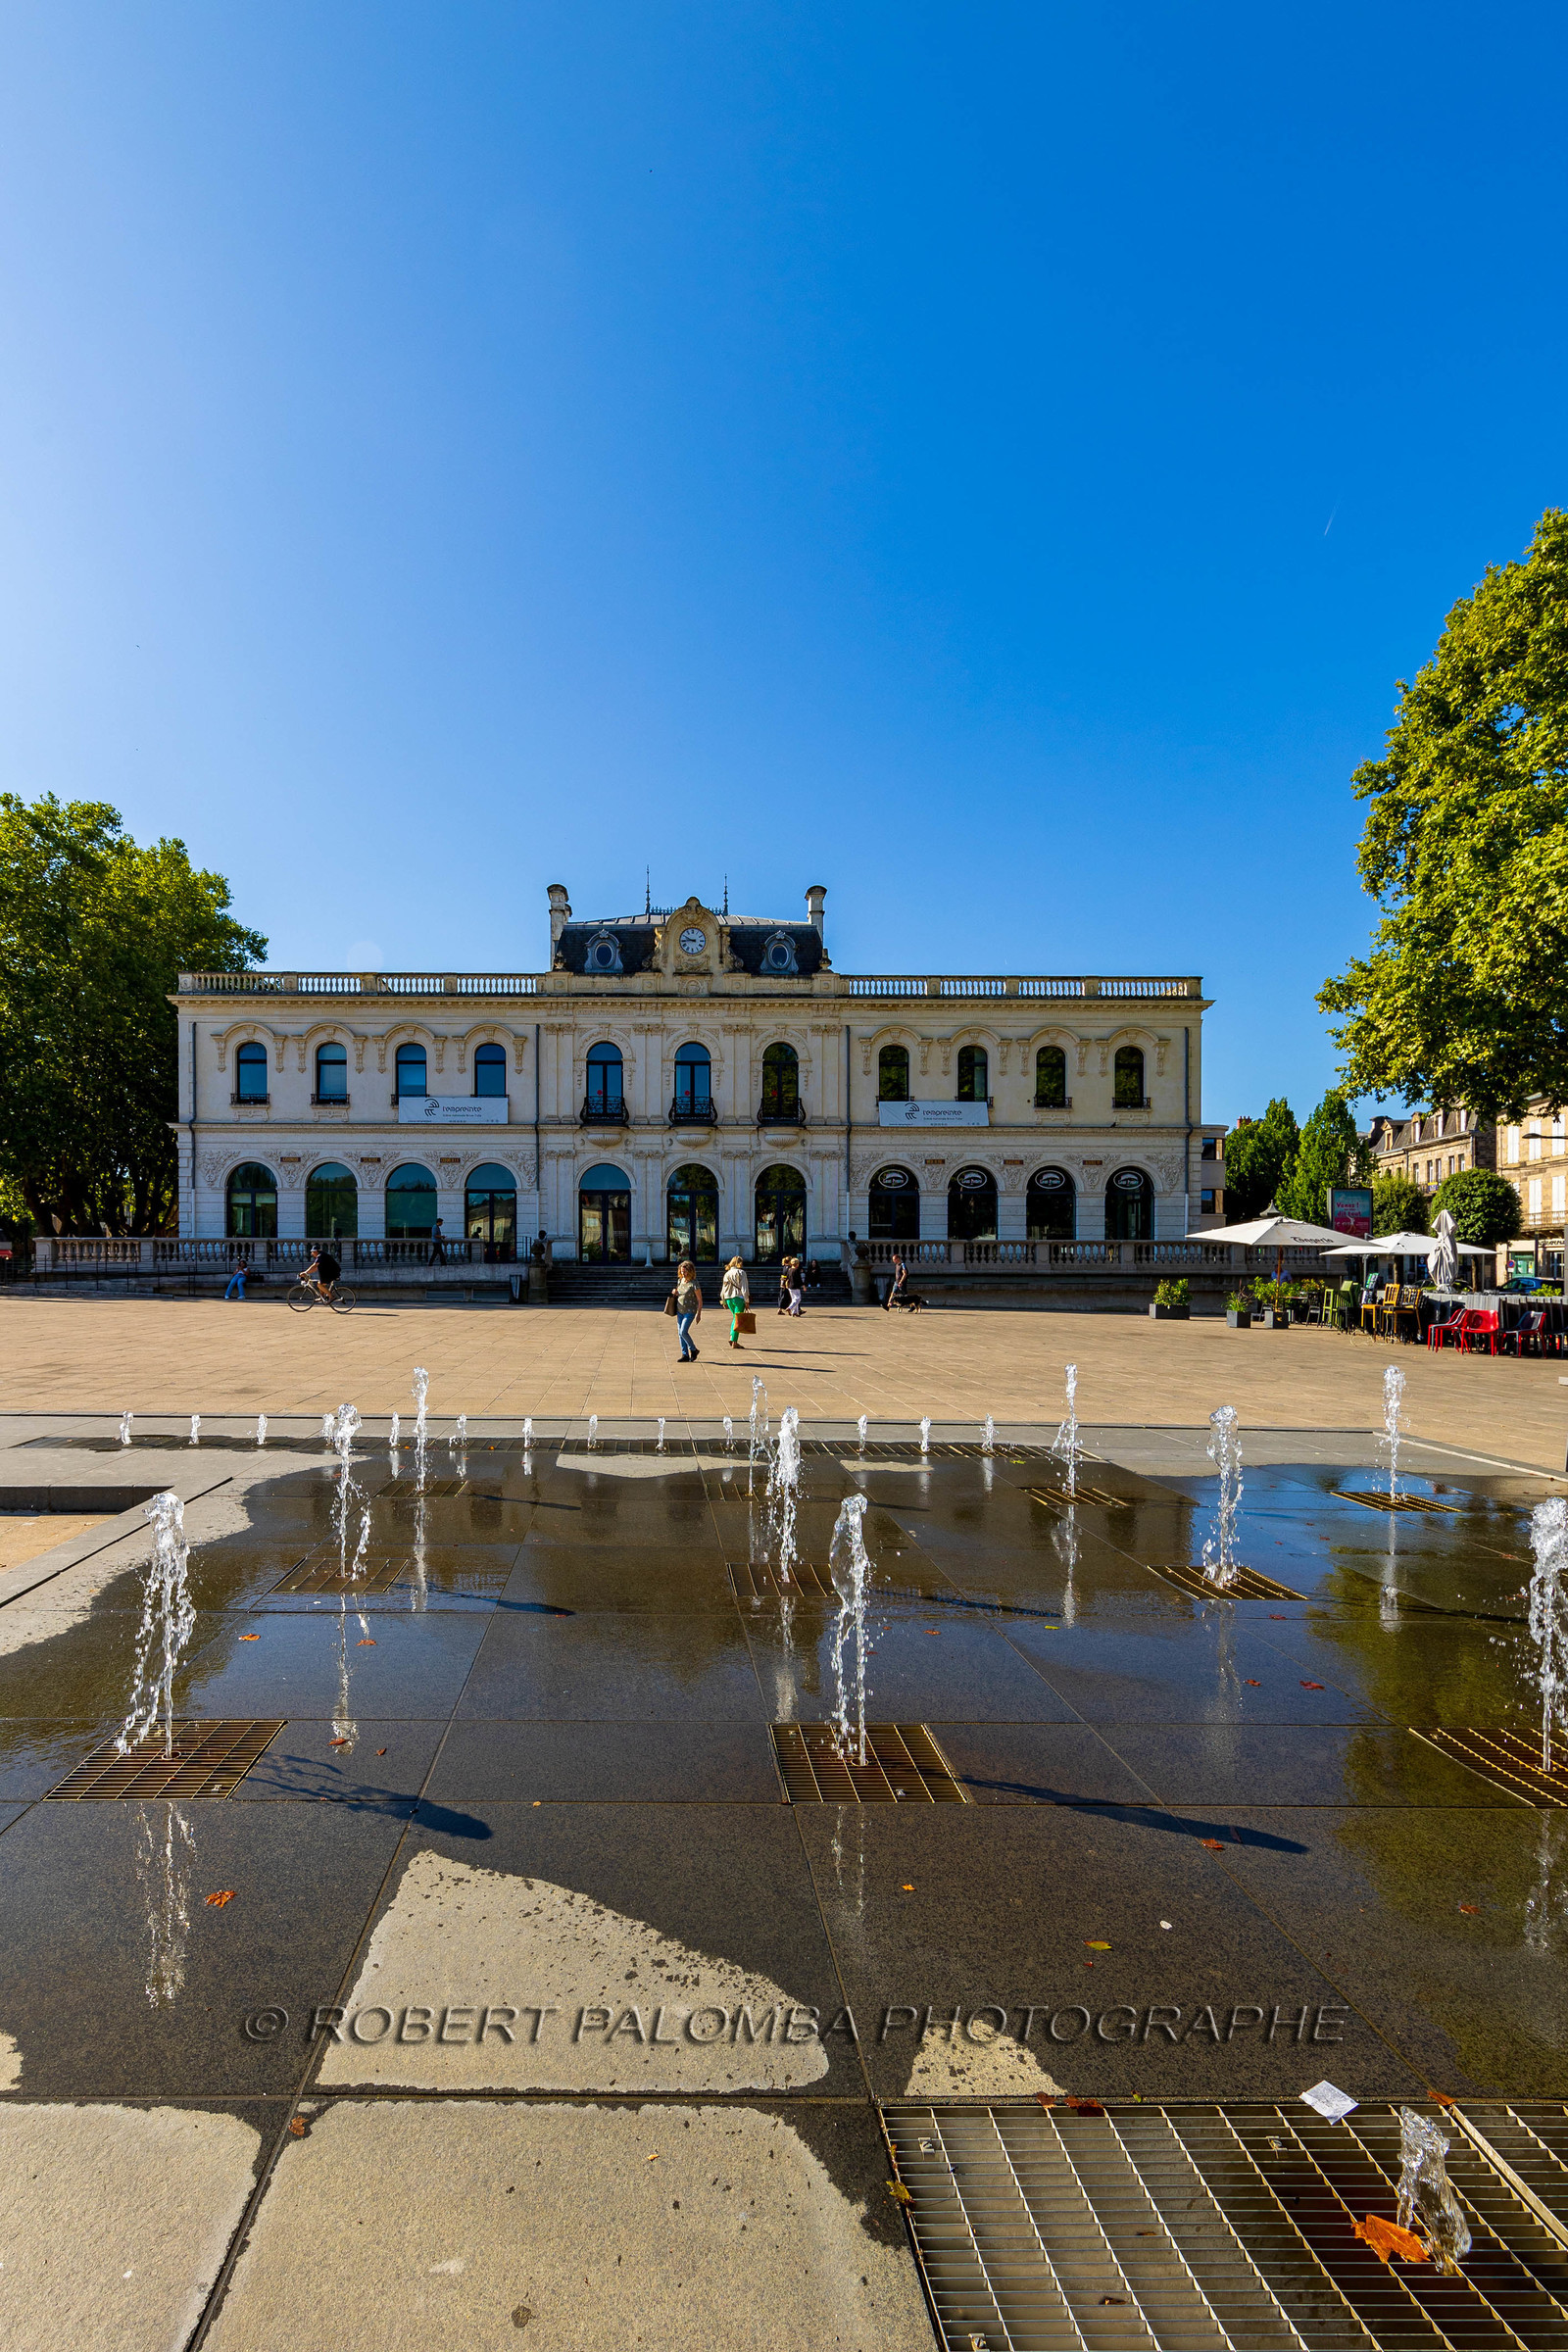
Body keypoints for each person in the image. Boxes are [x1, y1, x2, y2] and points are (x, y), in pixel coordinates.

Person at [671, 1259, 703, 1361]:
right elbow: (679, 1293)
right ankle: (685, 1354)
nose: (683, 1273)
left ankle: (693, 1350)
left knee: (683, 1331)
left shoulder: (694, 1283)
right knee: (680, 1333)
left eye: (684, 1271)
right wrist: (675, 1292)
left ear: (690, 1271)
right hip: (680, 1310)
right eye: (681, 1271)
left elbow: (699, 1300)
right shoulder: (680, 1281)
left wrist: (699, 1314)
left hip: (690, 1311)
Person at [719, 1254, 750, 1348]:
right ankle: (733, 1339)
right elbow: (744, 1288)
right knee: (737, 1319)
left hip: (728, 1297)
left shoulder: (727, 1273)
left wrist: (723, 1300)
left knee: (735, 1317)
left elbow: (723, 1288)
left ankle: (733, 1339)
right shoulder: (741, 1273)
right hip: (738, 1297)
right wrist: (747, 1300)